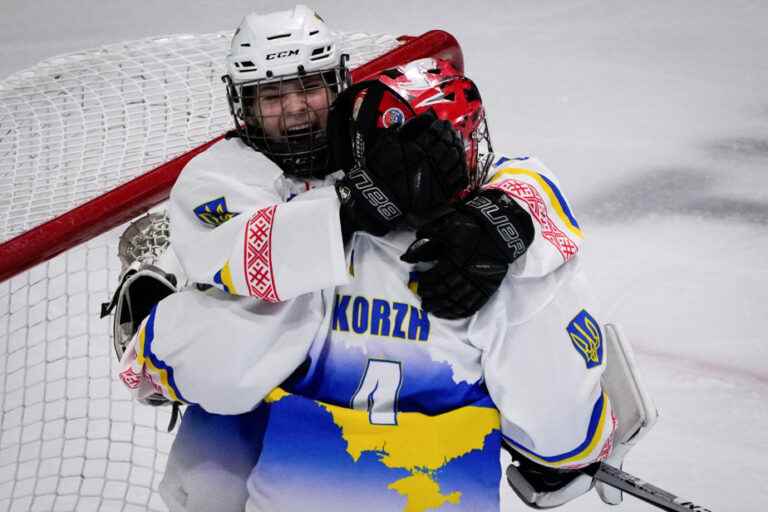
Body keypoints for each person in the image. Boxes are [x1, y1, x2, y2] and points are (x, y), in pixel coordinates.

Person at [111, 5, 650, 511]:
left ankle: (157, 313)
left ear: (338, 83)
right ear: (244, 105)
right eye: (272, 96)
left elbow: (522, 177)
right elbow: (257, 261)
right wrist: (357, 205)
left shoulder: (378, 160)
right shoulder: (223, 176)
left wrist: (500, 216)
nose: (296, 109)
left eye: (309, 88)